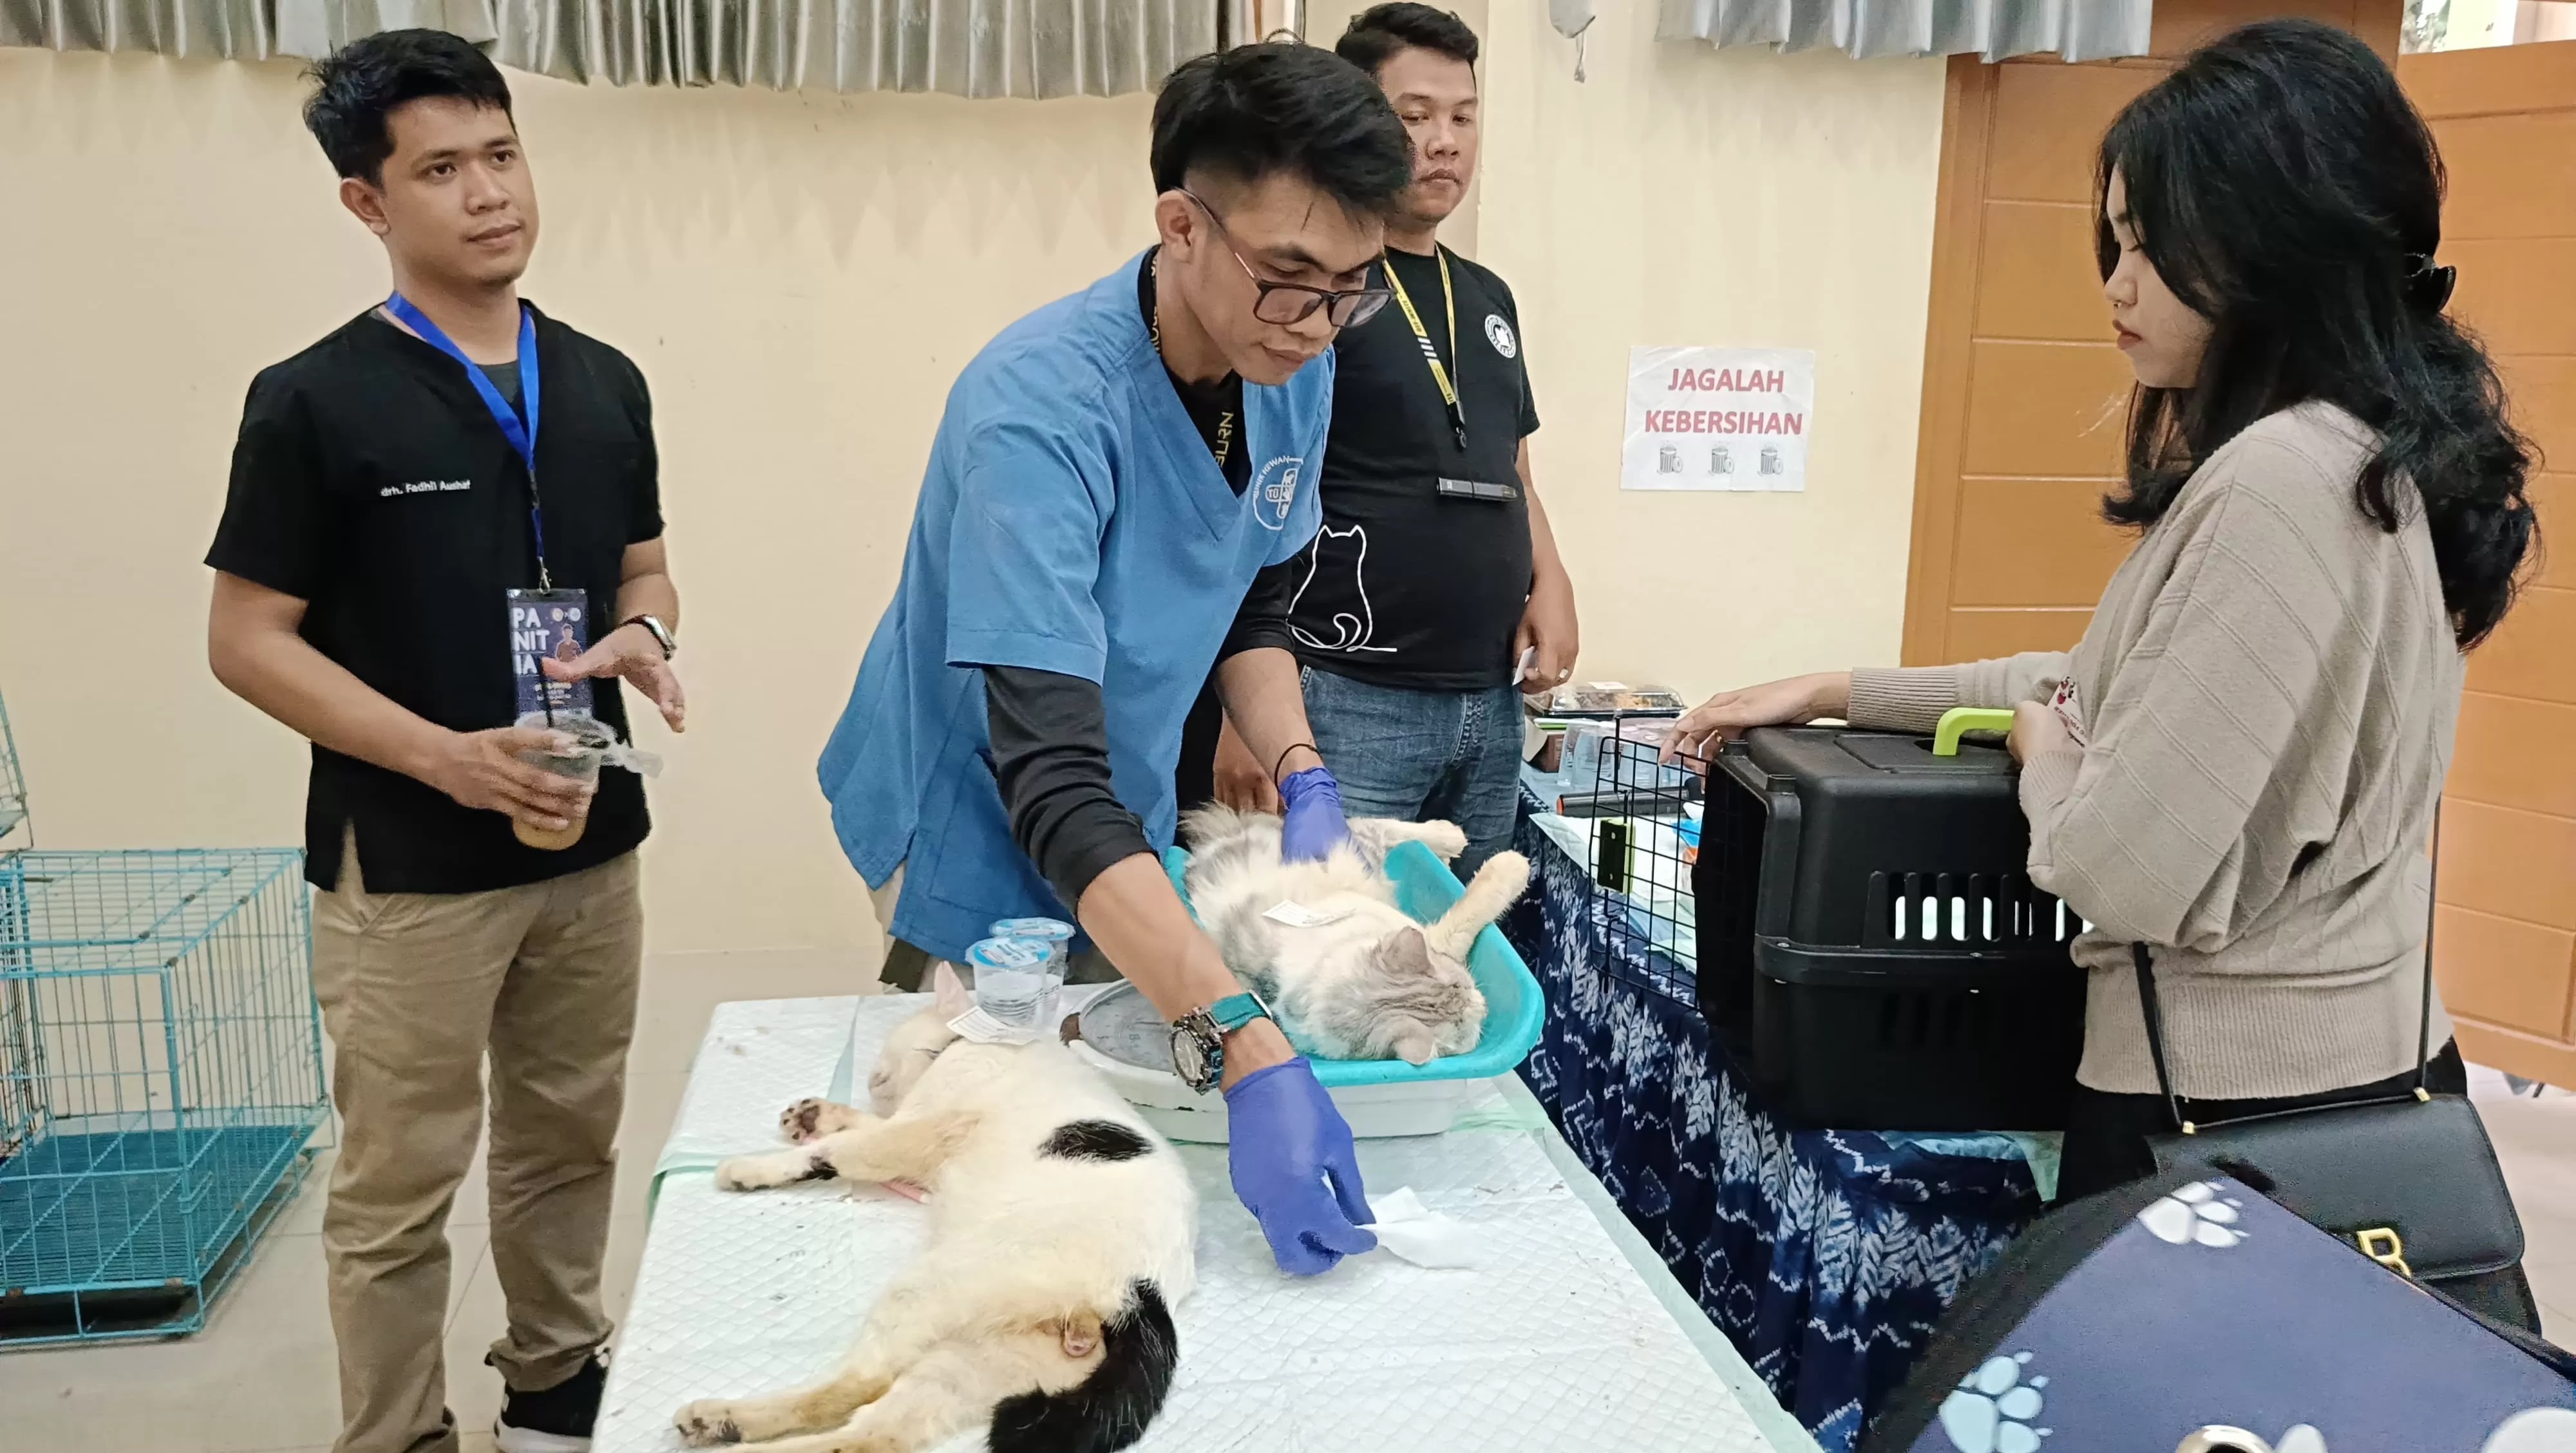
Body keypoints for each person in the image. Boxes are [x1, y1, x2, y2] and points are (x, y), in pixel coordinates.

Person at [1665, 19, 2537, 1202]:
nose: (2117, 284)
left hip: (2229, 1114)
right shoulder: (2363, 457)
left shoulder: (2283, 484)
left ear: (2270, 242)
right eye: (2114, 242)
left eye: (2151, 244)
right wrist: (1839, 692)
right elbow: (2108, 687)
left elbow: (2116, 866)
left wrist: (2045, 753)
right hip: (2353, 1068)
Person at [815, 43, 1412, 1277]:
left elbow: (1251, 590)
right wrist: (1252, 1049)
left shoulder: (1295, 361)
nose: (1318, 321)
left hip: (1108, 801)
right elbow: (1047, 784)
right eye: (1289, 277)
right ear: (1181, 224)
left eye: (1355, 285)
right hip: (982, 810)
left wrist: (1302, 770)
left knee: (1116, 1097)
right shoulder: (1039, 413)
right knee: (980, 1151)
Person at [205, 30, 686, 1453]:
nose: (487, 195)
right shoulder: (312, 399)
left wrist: (649, 640)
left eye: (501, 155)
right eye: (439, 170)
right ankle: (401, 1431)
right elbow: (246, 641)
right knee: (395, 1192)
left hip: (585, 838)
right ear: (368, 203)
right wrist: (439, 757)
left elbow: (645, 571)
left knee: (566, 1145)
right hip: (407, 867)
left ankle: (553, 1385)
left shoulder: (600, 380)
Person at [1186, 3, 1578, 878]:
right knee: (1330, 952)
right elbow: (1249, 494)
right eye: (1414, 115)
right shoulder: (1308, 294)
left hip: (1487, 697)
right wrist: (1240, 719)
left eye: (1463, 116)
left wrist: (1552, 579)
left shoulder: (1487, 296)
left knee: (1457, 949)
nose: (1445, 142)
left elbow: (1511, 464)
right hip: (1344, 696)